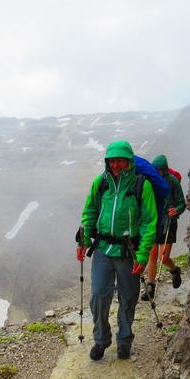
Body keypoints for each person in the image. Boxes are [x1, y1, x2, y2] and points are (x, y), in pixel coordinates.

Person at [76, 140, 157, 360]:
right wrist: (83, 240)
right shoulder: (101, 183)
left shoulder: (142, 185)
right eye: (111, 161)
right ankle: (101, 340)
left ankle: (124, 341)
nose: (115, 165)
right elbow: (89, 212)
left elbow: (149, 222)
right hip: (103, 248)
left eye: (120, 160)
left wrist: (142, 255)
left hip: (129, 252)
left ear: (129, 161)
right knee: (98, 296)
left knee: (128, 297)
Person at [141, 154, 185, 301]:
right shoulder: (151, 181)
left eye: (159, 169)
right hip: (155, 221)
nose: (157, 172)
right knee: (152, 254)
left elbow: (182, 202)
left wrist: (176, 210)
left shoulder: (173, 181)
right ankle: (150, 287)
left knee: (163, 257)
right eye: (155, 169)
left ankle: (175, 270)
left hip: (169, 222)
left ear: (164, 169)